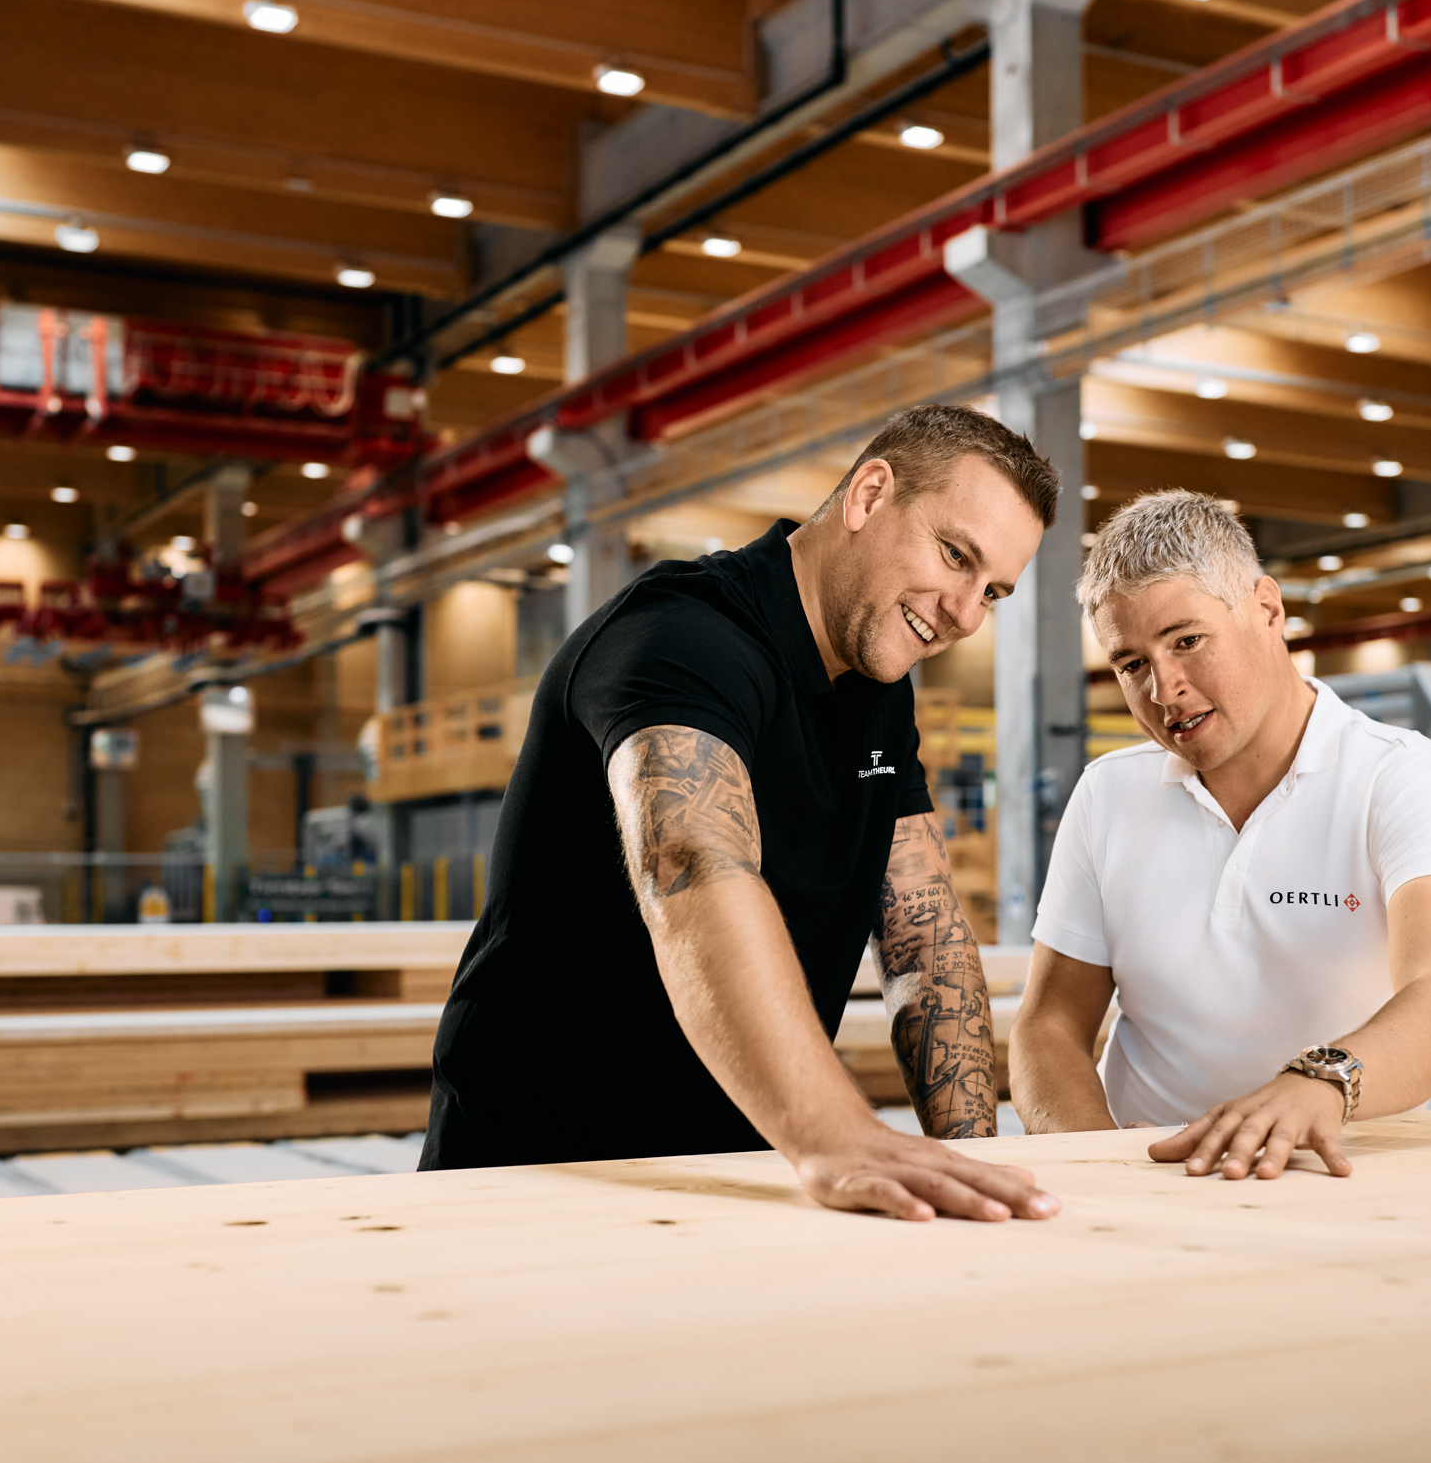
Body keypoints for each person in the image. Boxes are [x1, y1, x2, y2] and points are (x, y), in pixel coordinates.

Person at [423, 404, 1062, 1225]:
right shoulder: (681, 637)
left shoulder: (877, 693)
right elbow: (691, 861)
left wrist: (984, 1175)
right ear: (870, 495)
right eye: (955, 556)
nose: (966, 614)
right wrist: (833, 1133)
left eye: (994, 592)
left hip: (735, 1184)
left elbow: (925, 938)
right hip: (538, 1178)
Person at [1009, 489, 1431, 1178]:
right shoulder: (1107, 794)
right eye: (1132, 663)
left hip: (1335, 1172)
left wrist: (1323, 1081)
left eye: (1186, 640)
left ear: (1267, 609)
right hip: (1148, 1174)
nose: (1164, 688)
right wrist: (1102, 1164)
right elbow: (1050, 1026)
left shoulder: (1405, 779)